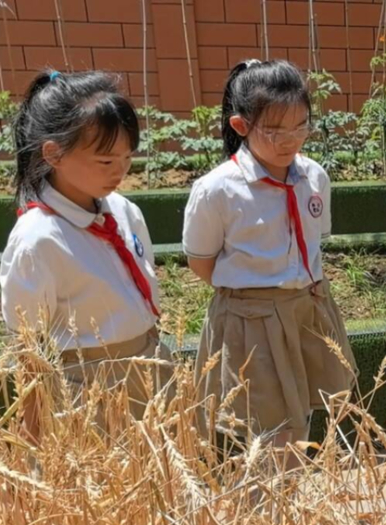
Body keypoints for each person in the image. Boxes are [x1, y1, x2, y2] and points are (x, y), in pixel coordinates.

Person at [184, 59, 356, 457]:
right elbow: (202, 264)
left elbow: (315, 240)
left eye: (300, 126)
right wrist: (256, 293)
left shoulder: (314, 176)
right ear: (241, 125)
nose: (290, 139)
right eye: (275, 130)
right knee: (273, 433)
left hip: (309, 308)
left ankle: (287, 502)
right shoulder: (217, 190)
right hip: (253, 320)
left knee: (305, 416)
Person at [0, 70, 173, 441]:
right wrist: (31, 431)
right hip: (89, 387)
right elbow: (28, 346)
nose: (120, 171)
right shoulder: (38, 239)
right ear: (53, 153)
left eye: (127, 158)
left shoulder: (124, 211)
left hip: (150, 364)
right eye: (106, 161)